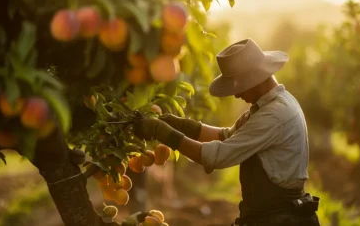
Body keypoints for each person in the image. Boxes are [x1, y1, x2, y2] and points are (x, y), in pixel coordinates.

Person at [133, 38, 321, 226]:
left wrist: (163, 133)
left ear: (255, 80)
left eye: (239, 87)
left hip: (281, 220)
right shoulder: (272, 106)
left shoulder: (274, 115)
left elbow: (217, 156)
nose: (237, 95)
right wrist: (182, 125)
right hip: (273, 216)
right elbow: (225, 136)